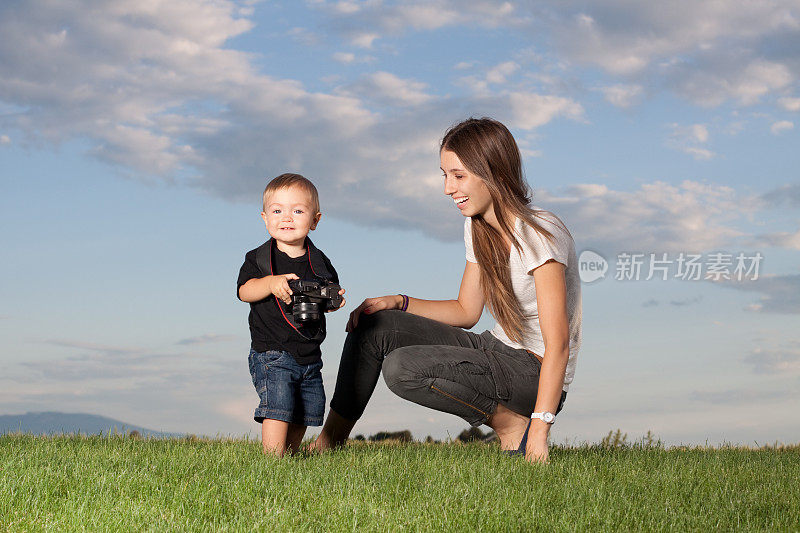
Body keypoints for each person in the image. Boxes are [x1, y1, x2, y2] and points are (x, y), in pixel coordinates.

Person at [311, 118, 581, 463]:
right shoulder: (478, 227)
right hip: (496, 349)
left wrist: (540, 429)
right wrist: (397, 302)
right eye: (445, 175)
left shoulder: (539, 232)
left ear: (493, 172)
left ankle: (511, 424)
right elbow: (465, 312)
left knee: (402, 368)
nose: (448, 188)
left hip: (535, 373)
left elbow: (557, 343)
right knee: (375, 324)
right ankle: (328, 443)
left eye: (458, 175)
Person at [237, 173, 345, 456]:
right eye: (277, 211)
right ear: (264, 217)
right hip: (271, 351)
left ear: (315, 220)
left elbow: (326, 299)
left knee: (307, 407)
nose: (286, 218)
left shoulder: (320, 263)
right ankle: (273, 460)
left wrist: (331, 303)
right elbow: (244, 291)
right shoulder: (259, 258)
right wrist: (271, 283)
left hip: (309, 352)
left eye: (297, 211)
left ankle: (290, 454)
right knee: (279, 404)